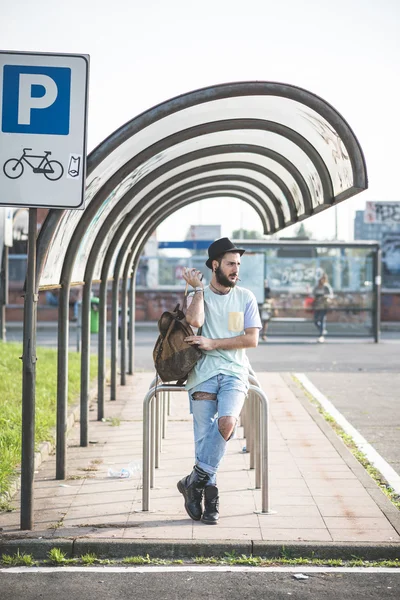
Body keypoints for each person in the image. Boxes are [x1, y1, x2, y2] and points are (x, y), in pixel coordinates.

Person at [177, 237, 261, 525]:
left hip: (236, 373)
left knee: (227, 423)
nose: (236, 269)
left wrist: (214, 343)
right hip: (202, 375)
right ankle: (209, 499)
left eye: (238, 264)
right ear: (215, 265)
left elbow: (252, 339)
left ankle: (194, 480)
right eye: (230, 264)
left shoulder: (246, 297)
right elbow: (195, 322)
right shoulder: (198, 294)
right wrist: (198, 289)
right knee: (204, 439)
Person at [312, 273, 333, 343]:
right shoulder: (316, 287)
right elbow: (313, 294)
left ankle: (321, 335)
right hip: (317, 306)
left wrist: (325, 297)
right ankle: (322, 331)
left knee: (322, 319)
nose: (322, 280)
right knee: (315, 320)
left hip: (323, 306)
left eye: (323, 278)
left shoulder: (326, 287)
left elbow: (330, 295)